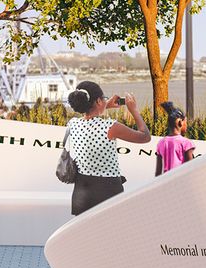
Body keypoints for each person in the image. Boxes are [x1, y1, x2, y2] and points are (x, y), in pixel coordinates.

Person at [64, 80, 150, 215]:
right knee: (112, 234)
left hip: (81, 192)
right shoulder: (110, 127)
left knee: (86, 235)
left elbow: (90, 115)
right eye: (104, 98)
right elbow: (145, 137)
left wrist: (104, 105)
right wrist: (134, 110)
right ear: (98, 101)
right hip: (107, 190)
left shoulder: (72, 124)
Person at [154, 101, 198, 176]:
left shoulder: (161, 143)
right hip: (180, 182)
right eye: (185, 122)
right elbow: (190, 167)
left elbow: (158, 172)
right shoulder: (186, 143)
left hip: (166, 182)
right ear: (180, 123)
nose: (186, 125)